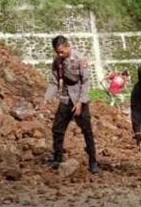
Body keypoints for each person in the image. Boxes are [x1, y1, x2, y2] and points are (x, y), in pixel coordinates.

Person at [43, 35, 100, 174]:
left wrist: (81, 102)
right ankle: (57, 158)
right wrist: (46, 98)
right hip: (66, 96)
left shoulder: (80, 59)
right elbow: (54, 81)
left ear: (68, 46)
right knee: (57, 128)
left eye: (62, 51)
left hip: (80, 96)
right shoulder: (57, 62)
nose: (60, 54)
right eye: (58, 52)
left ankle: (93, 161)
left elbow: (86, 82)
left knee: (87, 130)